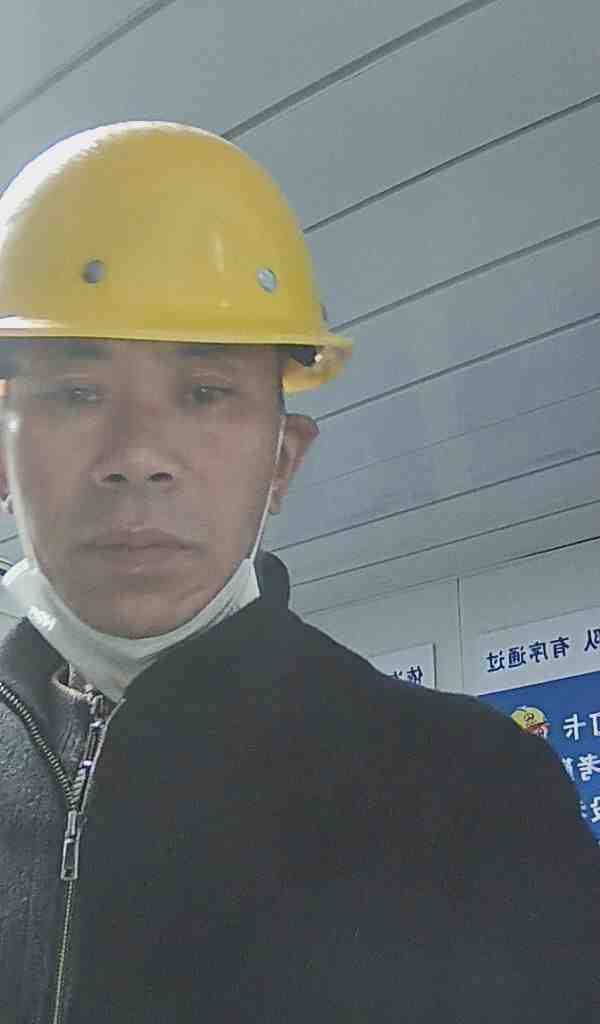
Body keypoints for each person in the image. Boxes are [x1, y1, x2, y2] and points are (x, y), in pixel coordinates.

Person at [0, 122, 597, 1024]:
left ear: (281, 462)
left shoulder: (474, 794)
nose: (136, 456)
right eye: (78, 394)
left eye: (205, 393)